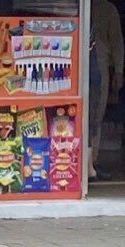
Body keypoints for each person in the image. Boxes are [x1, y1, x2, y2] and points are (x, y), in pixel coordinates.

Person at [89, 0, 124, 181]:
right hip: (75, 63)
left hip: (100, 66)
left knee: (96, 116)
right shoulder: (72, 5)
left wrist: (118, 70)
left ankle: (91, 163)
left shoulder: (107, 9)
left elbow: (117, 41)